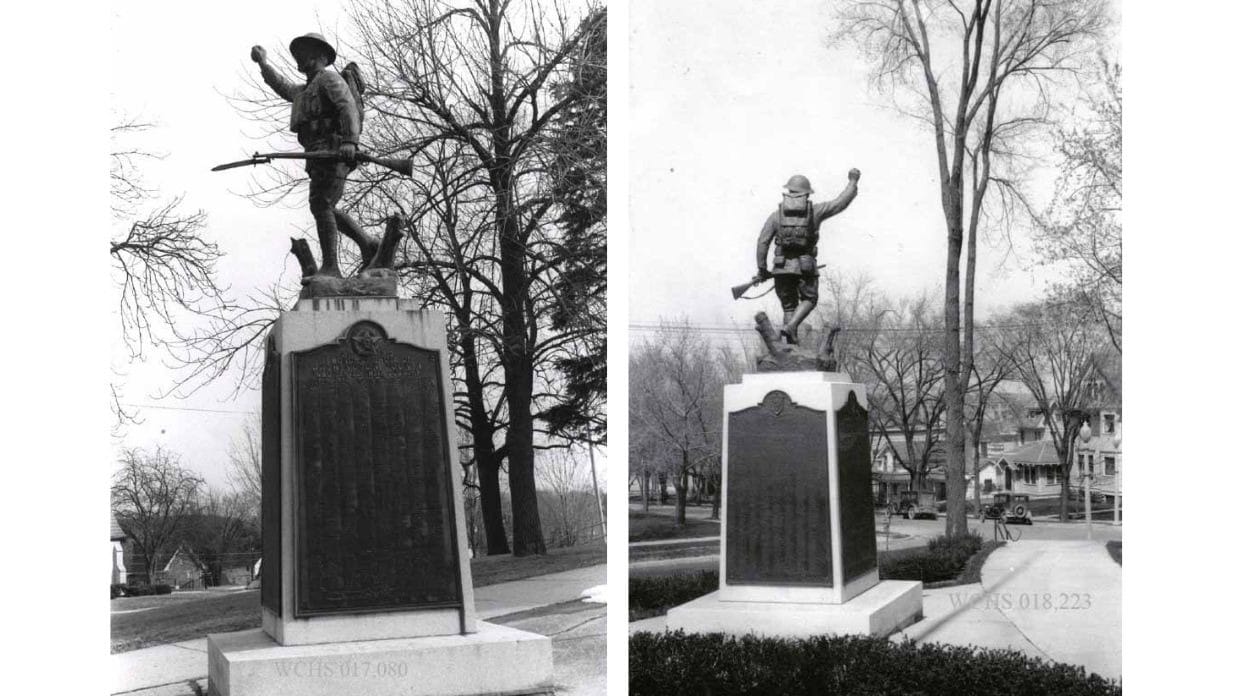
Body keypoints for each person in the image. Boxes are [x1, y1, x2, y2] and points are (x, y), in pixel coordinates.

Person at [251, 33, 373, 278]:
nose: (299, 58)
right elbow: (283, 86)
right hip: (317, 155)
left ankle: (332, 267)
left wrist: (350, 141)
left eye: (304, 53)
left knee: (322, 204)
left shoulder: (329, 79)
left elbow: (347, 107)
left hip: (334, 151)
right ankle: (368, 244)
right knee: (323, 205)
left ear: (319, 56)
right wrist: (264, 64)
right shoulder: (306, 89)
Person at [755, 169, 860, 344]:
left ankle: (789, 343)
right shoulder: (815, 212)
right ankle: (791, 327)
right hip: (806, 267)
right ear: (806, 194)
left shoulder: (776, 216)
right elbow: (840, 203)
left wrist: (762, 269)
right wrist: (853, 181)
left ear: (789, 192)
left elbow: (762, 243)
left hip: (781, 268)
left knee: (789, 306)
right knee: (810, 299)